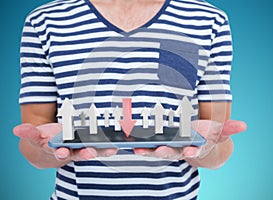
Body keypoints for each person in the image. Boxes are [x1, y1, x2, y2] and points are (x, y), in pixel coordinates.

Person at [13, 0, 247, 199]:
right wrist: (48, 148)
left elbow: (218, 144)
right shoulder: (45, 21)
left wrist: (205, 147)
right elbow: (34, 142)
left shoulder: (206, 20)